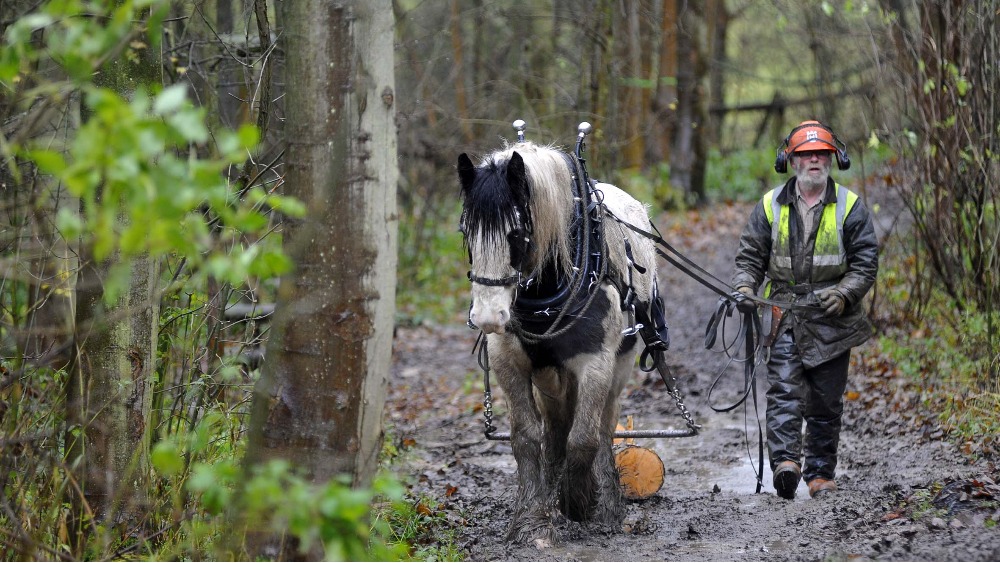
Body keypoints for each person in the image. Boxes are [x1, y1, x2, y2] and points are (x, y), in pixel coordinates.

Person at [731, 120, 879, 499]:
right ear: (790, 161)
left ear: (833, 159)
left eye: (821, 154)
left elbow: (865, 262)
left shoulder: (850, 207)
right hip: (785, 316)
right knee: (783, 391)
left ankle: (819, 475)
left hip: (834, 321)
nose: (814, 159)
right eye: (805, 154)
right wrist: (745, 286)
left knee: (826, 401)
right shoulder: (769, 205)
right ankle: (785, 464)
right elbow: (750, 256)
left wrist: (846, 293)